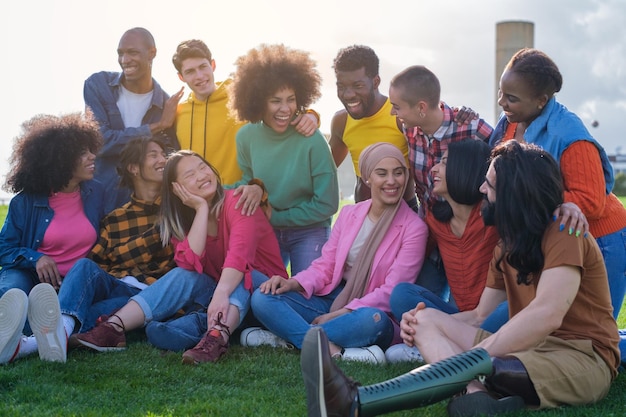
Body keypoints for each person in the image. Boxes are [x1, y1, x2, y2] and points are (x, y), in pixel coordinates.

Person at [301, 141, 620, 417]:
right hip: (525, 347)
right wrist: (422, 320)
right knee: (427, 321)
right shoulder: (506, 245)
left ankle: (356, 402)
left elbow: (547, 313)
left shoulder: (563, 231)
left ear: (512, 193)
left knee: (497, 370)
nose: (482, 189)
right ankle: (475, 395)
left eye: (490, 185)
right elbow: (480, 316)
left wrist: (478, 355)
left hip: (579, 357)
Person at [77, 151, 288, 364]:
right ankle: (113, 328)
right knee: (183, 274)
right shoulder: (189, 222)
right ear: (177, 188)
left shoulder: (237, 201)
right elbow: (189, 263)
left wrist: (221, 293)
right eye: (189, 175)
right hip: (225, 302)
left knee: (242, 274)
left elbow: (239, 256)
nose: (201, 176)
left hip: (269, 295)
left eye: (203, 167)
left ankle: (217, 339)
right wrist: (201, 209)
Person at [246, 143, 428, 364]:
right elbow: (327, 265)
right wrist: (293, 283)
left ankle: (288, 334)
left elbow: (391, 292)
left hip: (369, 309)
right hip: (333, 296)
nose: (392, 181)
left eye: (398, 173)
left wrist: (341, 314)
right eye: (382, 173)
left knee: (373, 321)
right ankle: (325, 346)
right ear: (367, 178)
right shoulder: (350, 213)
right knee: (263, 297)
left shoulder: (414, 228)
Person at [489, 48, 626, 319]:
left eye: (511, 98)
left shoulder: (569, 134)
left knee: (596, 332)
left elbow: (591, 201)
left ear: (541, 100)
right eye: (501, 93)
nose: (502, 103)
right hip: (553, 239)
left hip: (601, 240)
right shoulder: (509, 123)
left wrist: (521, 196)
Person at [0, 112, 105, 364]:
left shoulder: (96, 193)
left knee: (98, 299)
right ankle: (14, 329)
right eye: (83, 153)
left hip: (76, 282)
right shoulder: (24, 202)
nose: (92, 157)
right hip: (31, 275)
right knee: (13, 289)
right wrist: (36, 258)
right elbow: (4, 248)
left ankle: (24, 340)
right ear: (60, 159)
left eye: (91, 150)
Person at [228, 44, 339, 275]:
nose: (285, 109)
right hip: (266, 229)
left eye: (291, 99)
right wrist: (214, 191)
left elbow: (327, 204)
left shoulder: (312, 139)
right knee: (259, 292)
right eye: (275, 100)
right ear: (258, 101)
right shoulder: (246, 136)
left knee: (306, 294)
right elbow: (250, 179)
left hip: (310, 230)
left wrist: (277, 217)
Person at [386, 139, 498, 362]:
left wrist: (567, 207)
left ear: (465, 168)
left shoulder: (494, 217)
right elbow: (414, 254)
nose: (434, 169)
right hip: (458, 317)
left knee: (504, 313)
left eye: (444, 163)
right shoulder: (436, 221)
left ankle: (435, 344)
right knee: (402, 294)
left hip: (490, 317)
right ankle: (437, 341)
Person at [329, 46, 476, 206]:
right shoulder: (341, 121)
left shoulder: (401, 117)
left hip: (404, 215)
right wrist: (309, 114)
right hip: (364, 216)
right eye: (341, 86)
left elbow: (431, 114)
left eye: (358, 86)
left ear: (376, 82)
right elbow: (324, 170)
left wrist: (458, 112)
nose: (348, 94)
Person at [172, 39, 320, 186]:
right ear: (181, 77)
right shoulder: (179, 112)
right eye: (190, 71)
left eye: (203, 67)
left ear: (213, 65)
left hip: (241, 197)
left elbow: (283, 106)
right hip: (198, 203)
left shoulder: (241, 96)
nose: (199, 76)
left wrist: (311, 115)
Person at [84, 27, 184, 213]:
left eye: (133, 52)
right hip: (98, 200)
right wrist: (157, 126)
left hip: (145, 208)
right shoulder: (98, 85)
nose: (124, 60)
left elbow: (169, 159)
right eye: (120, 53)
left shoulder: (166, 105)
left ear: (152, 53)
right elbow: (99, 142)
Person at [389, 65, 493, 211]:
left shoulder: (470, 126)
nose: (392, 112)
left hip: (469, 225)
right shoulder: (408, 129)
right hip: (428, 221)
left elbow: (504, 164)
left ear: (421, 108)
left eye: (397, 107)